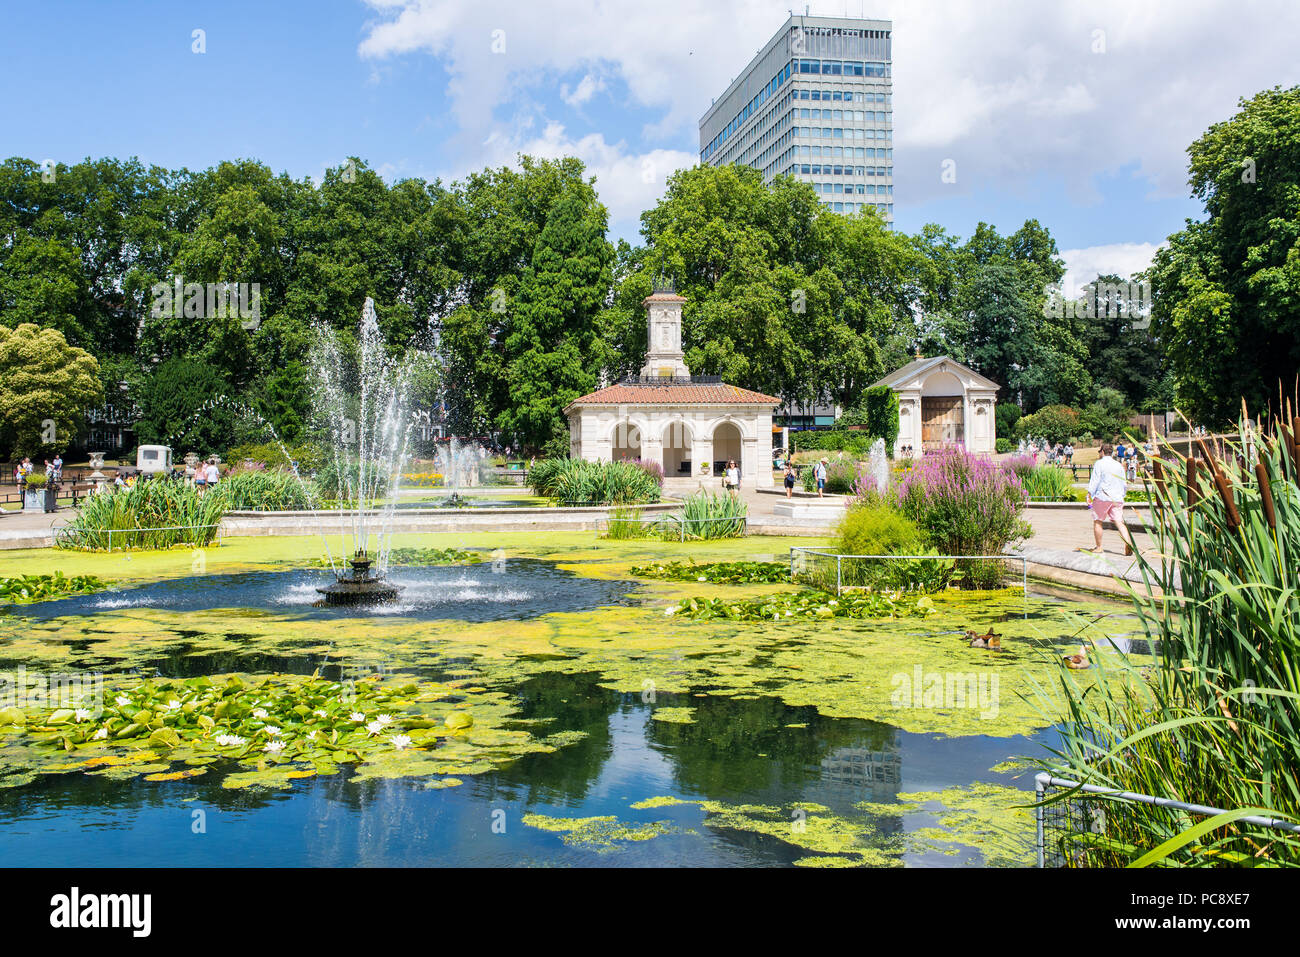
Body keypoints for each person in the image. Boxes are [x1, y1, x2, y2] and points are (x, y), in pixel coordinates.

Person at [1082, 443, 1135, 557]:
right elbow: (1123, 482)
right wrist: (1122, 494)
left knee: (1098, 520)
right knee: (1119, 522)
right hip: (1116, 497)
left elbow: (1095, 480)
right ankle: (1128, 542)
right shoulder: (1118, 465)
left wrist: (1089, 493)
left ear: (1102, 452)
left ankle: (1099, 547)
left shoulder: (1099, 464)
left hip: (1103, 495)